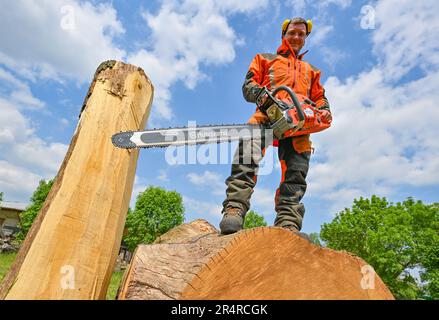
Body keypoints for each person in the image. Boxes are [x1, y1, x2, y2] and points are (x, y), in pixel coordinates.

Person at [220, 17, 332, 238]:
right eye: (293, 33)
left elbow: (321, 99)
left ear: (305, 38)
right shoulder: (265, 59)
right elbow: (248, 86)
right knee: (245, 159)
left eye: (301, 34)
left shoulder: (312, 71)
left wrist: (323, 111)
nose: (297, 37)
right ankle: (234, 209)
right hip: (266, 116)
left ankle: (288, 223)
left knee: (296, 174)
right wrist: (264, 98)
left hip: (299, 126)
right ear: (284, 35)